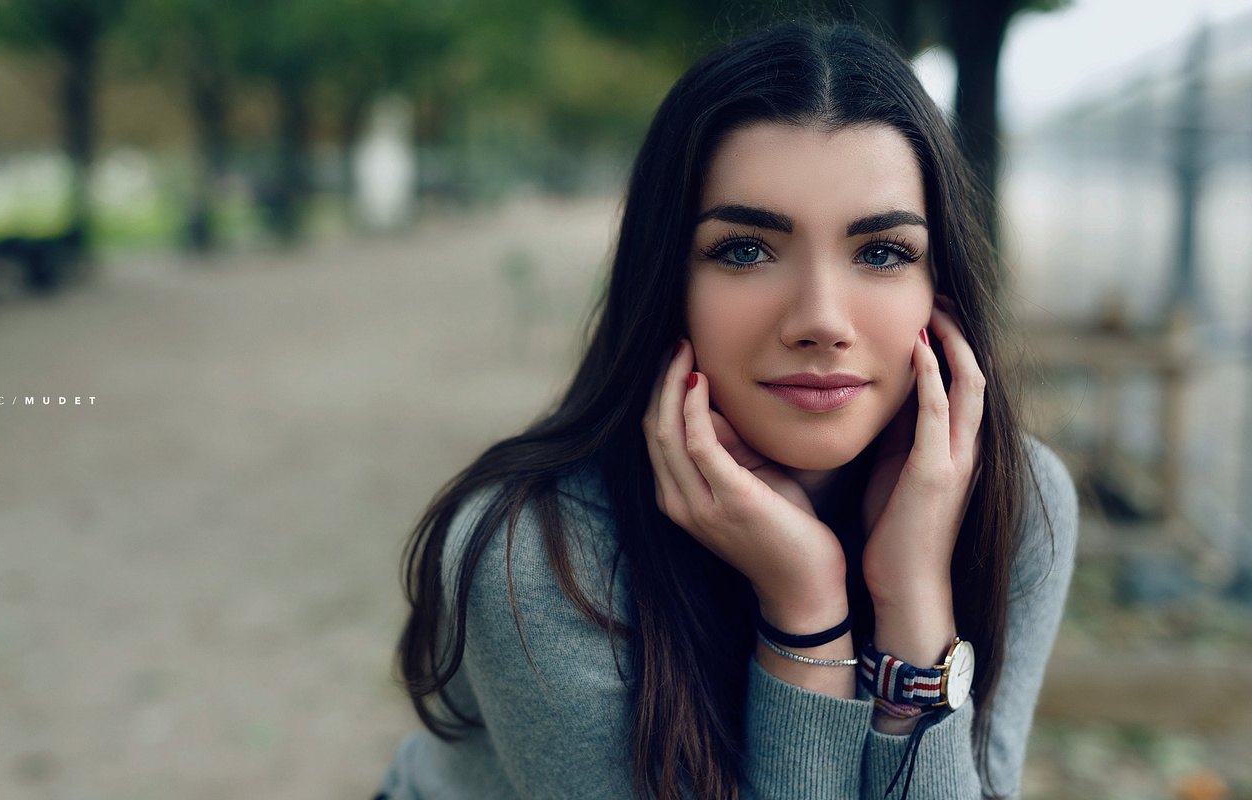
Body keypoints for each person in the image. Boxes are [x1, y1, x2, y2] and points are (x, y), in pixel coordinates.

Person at [374, 20, 1077, 800]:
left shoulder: (1018, 503)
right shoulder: (538, 556)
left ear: (937, 291)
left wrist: (914, 601)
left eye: (881, 252)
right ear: (667, 284)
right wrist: (806, 609)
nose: (821, 319)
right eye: (745, 249)